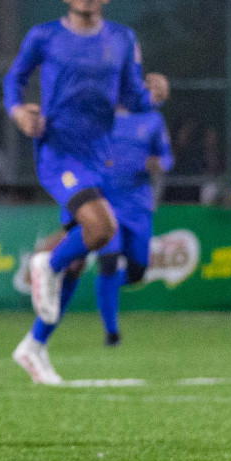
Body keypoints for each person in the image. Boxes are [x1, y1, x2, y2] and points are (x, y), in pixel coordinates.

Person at [4, 0, 167, 385]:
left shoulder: (122, 38)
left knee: (78, 262)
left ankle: (34, 346)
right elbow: (13, 80)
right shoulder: (45, 36)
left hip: (98, 156)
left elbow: (134, 98)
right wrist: (19, 112)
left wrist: (154, 95)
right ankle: (44, 264)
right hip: (58, 152)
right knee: (102, 230)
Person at [96, 105, 174, 346]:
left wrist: (158, 163)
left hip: (138, 206)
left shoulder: (151, 119)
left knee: (138, 271)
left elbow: (167, 158)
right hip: (105, 203)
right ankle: (112, 332)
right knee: (108, 262)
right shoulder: (99, 115)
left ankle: (105, 290)